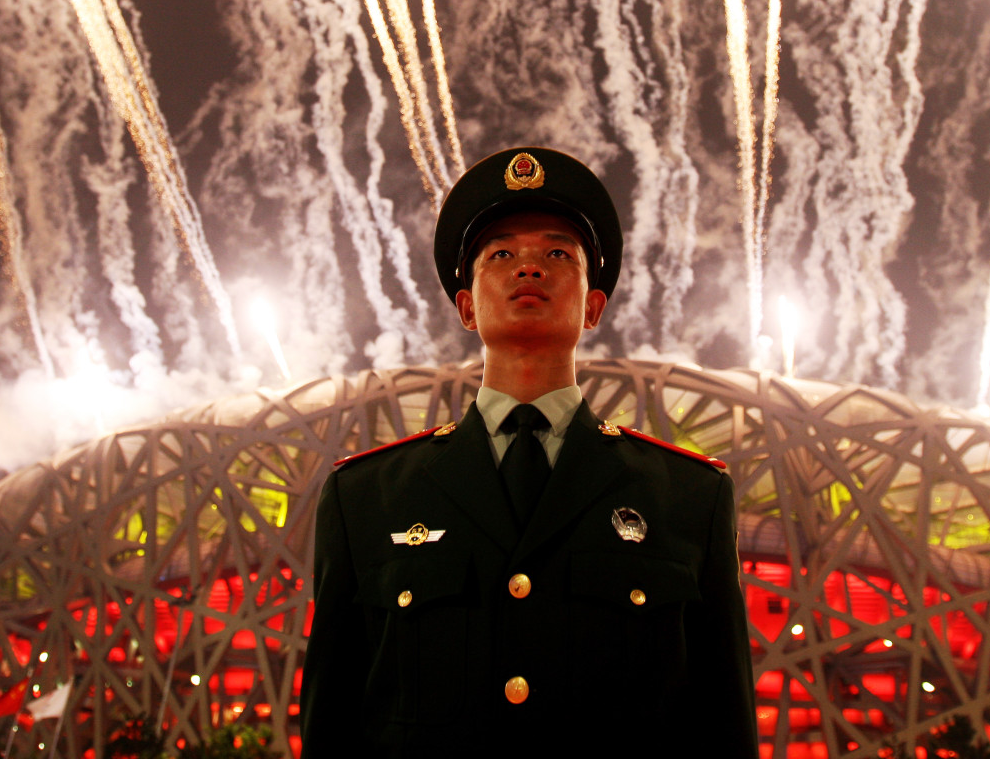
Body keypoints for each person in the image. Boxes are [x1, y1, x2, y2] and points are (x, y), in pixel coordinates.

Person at [300, 148, 757, 758]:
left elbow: (722, 727)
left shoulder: (689, 497)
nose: (530, 268)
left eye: (558, 253)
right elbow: (333, 727)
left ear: (594, 305)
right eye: (502, 254)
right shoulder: (365, 500)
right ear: (466, 305)